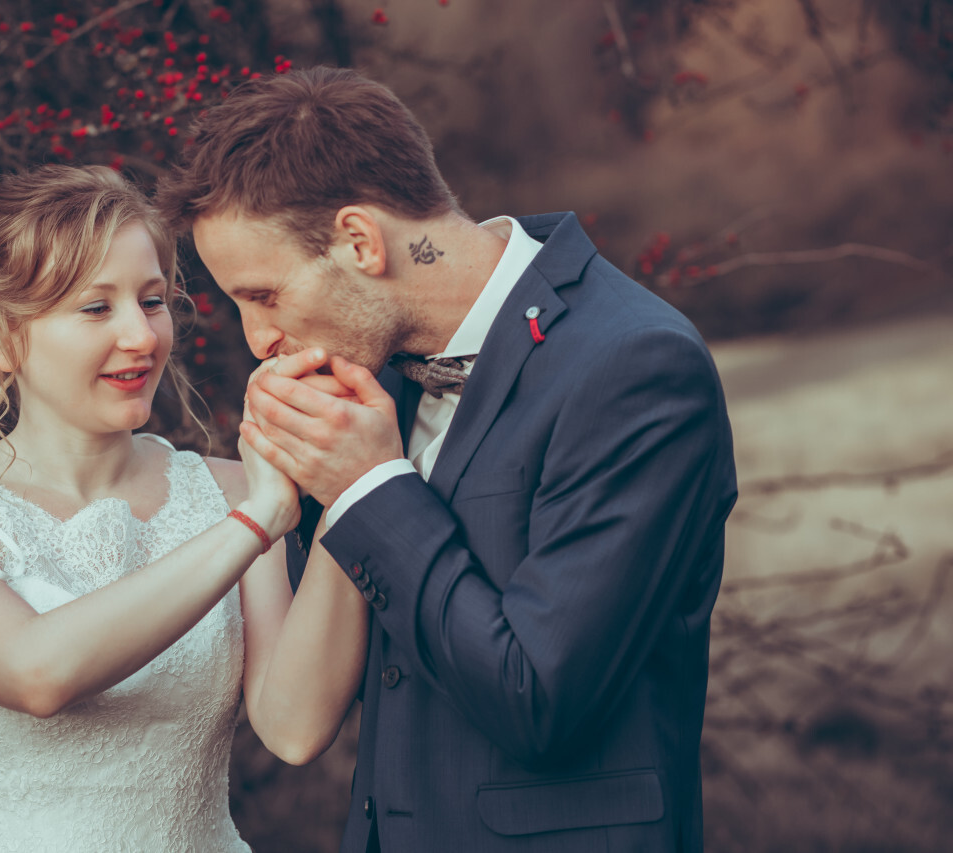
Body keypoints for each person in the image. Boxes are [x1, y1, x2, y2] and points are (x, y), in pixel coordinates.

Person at [157, 67, 738, 852]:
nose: (258, 341)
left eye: (264, 296)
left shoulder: (634, 366)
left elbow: (542, 700)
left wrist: (367, 486)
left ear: (360, 241)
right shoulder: (371, 382)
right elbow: (329, 699)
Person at [0, 164, 368, 852]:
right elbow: (35, 671)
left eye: (152, 301)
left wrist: (347, 488)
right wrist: (255, 525)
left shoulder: (239, 489)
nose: (143, 336)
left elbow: (295, 727)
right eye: (97, 308)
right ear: (1, 337)